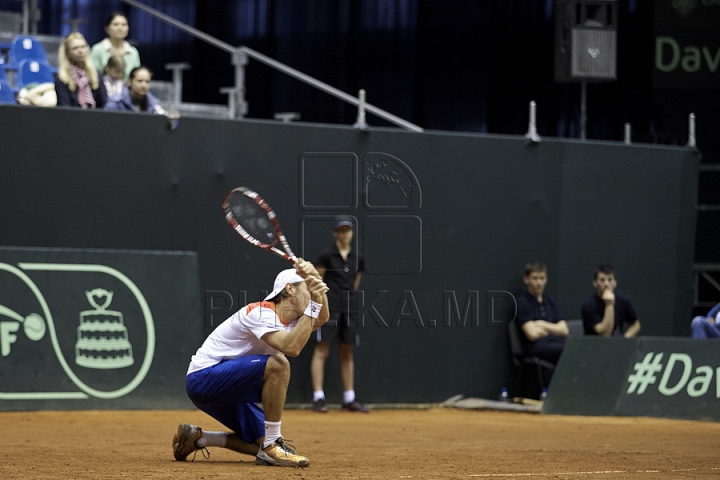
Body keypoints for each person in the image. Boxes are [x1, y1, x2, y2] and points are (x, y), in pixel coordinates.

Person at [172, 259, 329, 467]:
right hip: (203, 378)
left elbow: (322, 318)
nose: (311, 296)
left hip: (230, 388)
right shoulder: (260, 312)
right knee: (279, 364)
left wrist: (317, 285)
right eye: (308, 289)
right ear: (289, 289)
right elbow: (291, 348)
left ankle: (200, 438)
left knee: (260, 446)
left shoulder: (292, 322)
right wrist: (316, 301)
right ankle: (273, 444)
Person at [310, 216, 368, 413]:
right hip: (329, 308)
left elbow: (355, 283)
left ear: (352, 233)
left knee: (346, 351)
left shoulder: (357, 258)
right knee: (322, 349)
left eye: (348, 230)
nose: (344, 234)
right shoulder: (326, 256)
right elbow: (317, 282)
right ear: (335, 233)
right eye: (341, 230)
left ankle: (349, 398)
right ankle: (318, 397)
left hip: (350, 309)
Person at [514, 262, 568, 366]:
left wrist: (542, 324)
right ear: (526, 279)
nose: (539, 283)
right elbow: (532, 334)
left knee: (577, 349)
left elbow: (564, 330)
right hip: (536, 348)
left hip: (557, 343)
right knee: (567, 351)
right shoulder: (522, 302)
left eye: (542, 278)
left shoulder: (550, 302)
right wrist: (554, 329)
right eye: (535, 278)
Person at [581, 264, 641, 337]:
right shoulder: (588, 305)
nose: (606, 284)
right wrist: (609, 305)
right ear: (595, 283)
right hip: (595, 345)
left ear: (615, 282)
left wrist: (625, 338)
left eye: (610, 280)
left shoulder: (623, 300)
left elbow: (635, 324)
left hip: (618, 344)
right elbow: (605, 334)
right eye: (602, 280)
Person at [54, 32, 107, 109]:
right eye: (75, 48)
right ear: (68, 53)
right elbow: (64, 108)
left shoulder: (96, 74)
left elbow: (104, 102)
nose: (80, 51)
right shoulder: (62, 78)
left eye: (83, 47)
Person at [91, 12, 141, 80]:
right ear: (107, 28)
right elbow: (94, 75)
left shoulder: (133, 52)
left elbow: (137, 77)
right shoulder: (97, 49)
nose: (120, 28)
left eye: (124, 24)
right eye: (116, 24)